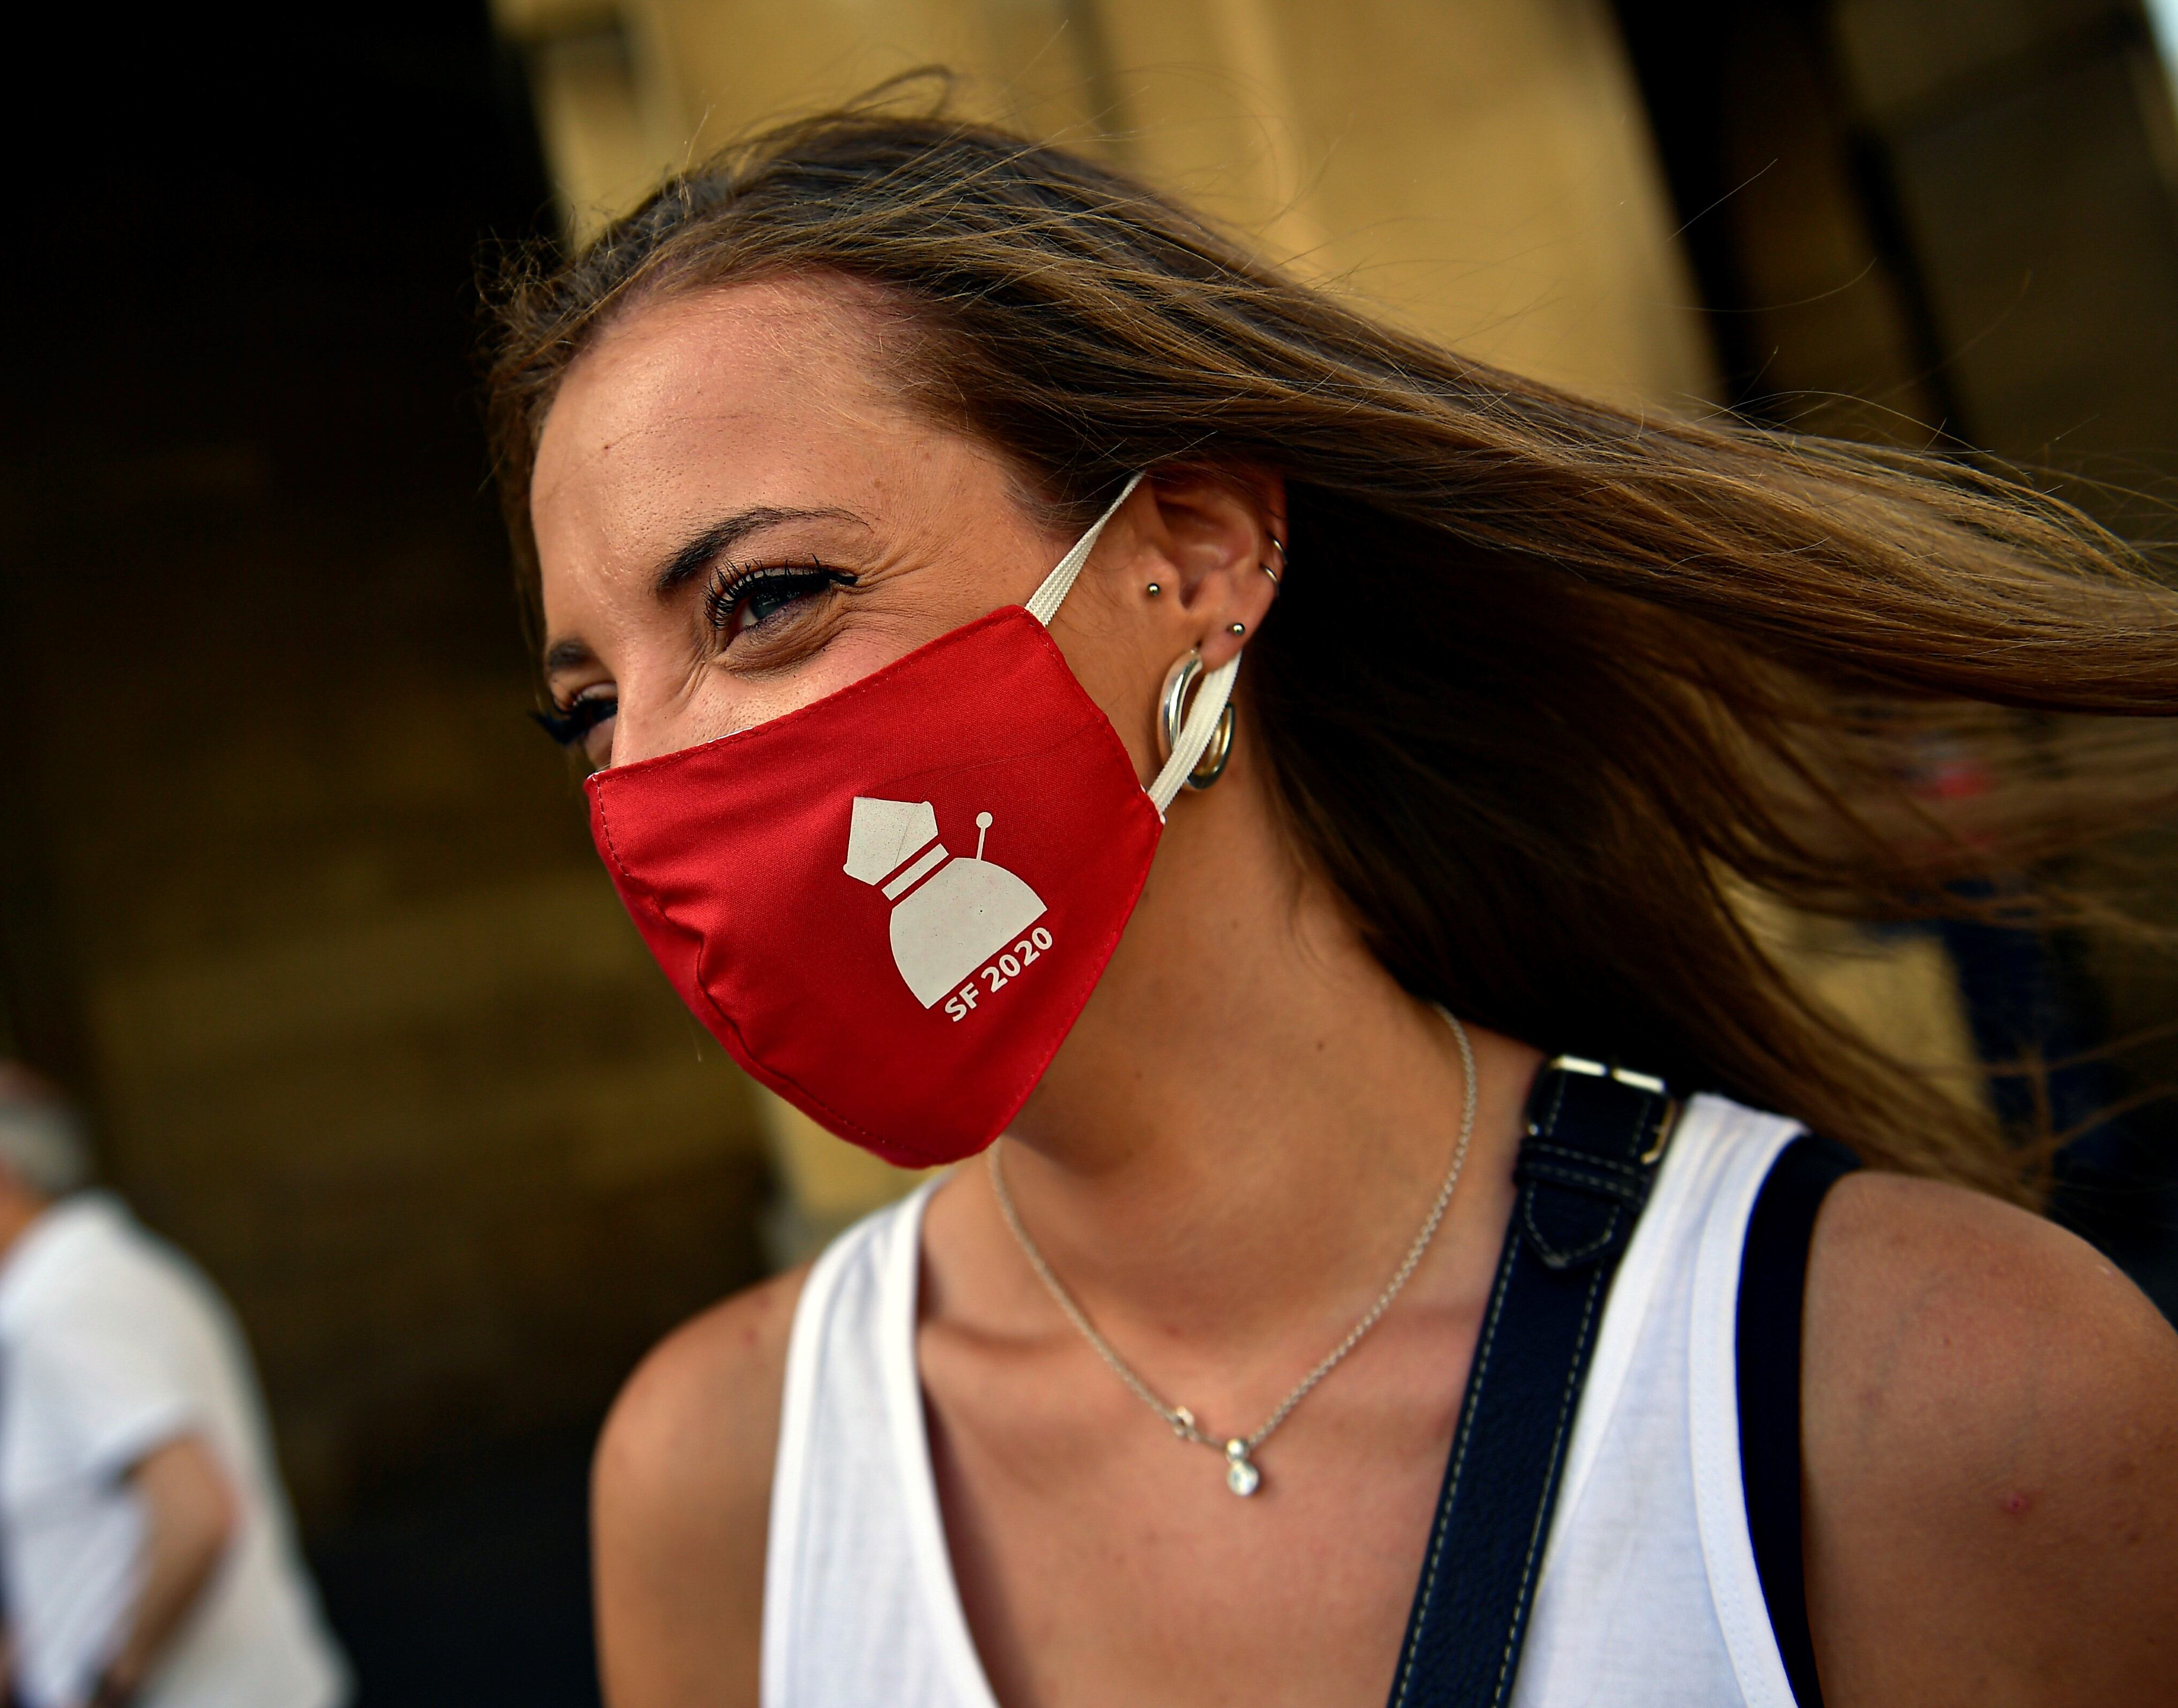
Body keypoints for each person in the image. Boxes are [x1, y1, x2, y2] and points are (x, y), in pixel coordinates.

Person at [486, 104, 2178, 1707]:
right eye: (590, 711)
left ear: (1199, 558)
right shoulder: (724, 1475)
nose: (655, 775)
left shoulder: (1945, 1394)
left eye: (766, 597)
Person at [0, 1063, 348, 1708]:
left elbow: (195, 1514)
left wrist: (109, 1683)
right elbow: (70, 1569)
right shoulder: (83, 1286)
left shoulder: (66, 1305)